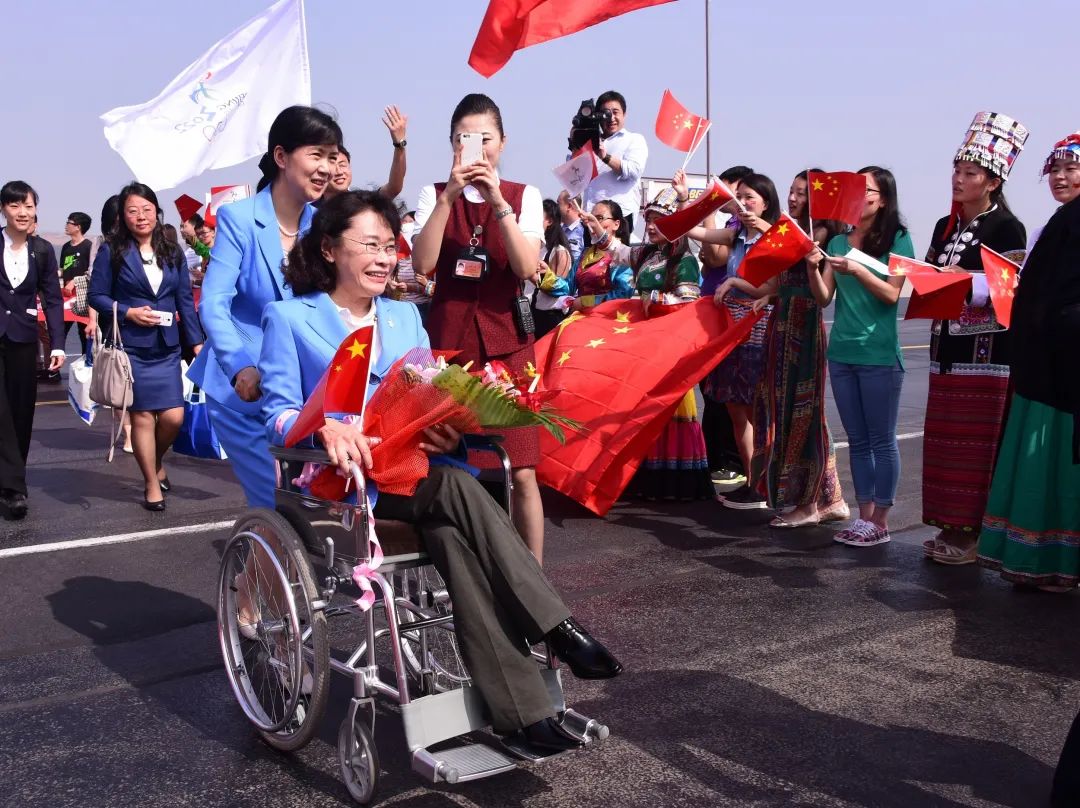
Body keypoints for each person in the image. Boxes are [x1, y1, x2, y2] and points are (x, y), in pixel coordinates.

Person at [259, 189, 622, 757]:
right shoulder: (289, 318)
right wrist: (323, 428)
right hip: (349, 487)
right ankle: (557, 627)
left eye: (389, 246)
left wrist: (451, 427)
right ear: (329, 249)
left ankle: (523, 714)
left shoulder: (405, 315)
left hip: (418, 471)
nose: (384, 258)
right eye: (369, 245)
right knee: (456, 487)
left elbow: (429, 389)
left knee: (453, 532)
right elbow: (276, 414)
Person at [411, 93, 548, 562]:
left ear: (502, 142)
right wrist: (448, 197)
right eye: (463, 138)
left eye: (485, 138)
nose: (475, 148)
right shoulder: (433, 194)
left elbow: (527, 267)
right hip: (449, 347)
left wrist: (497, 202)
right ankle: (463, 567)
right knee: (447, 463)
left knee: (522, 469)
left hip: (508, 345)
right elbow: (423, 264)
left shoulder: (524, 195)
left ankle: (533, 576)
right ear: (452, 143)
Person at [187, 105, 342, 508]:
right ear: (281, 157)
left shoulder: (322, 226)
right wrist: (240, 367)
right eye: (316, 155)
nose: (326, 168)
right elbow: (214, 304)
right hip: (245, 389)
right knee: (278, 504)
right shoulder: (239, 219)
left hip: (301, 394)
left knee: (317, 506)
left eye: (332, 157)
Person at [921, 112, 1029, 565]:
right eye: (957, 170)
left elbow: (1008, 288)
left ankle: (972, 535)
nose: (958, 179)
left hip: (985, 355)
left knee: (975, 445)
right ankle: (949, 524)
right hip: (945, 346)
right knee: (944, 441)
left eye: (969, 173)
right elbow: (929, 274)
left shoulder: (1006, 227)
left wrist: (960, 280)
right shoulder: (944, 226)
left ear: (993, 182)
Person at [977, 131, 1080, 591]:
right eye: (1054, 170)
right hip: (1045, 364)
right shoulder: (1056, 224)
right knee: (1043, 462)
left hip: (1066, 369)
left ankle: (1060, 562)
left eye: (1071, 168)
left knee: (1058, 464)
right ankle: (1044, 560)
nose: (1060, 177)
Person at [581, 186, 713, 501]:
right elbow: (619, 251)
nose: (652, 226)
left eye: (660, 221)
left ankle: (675, 483)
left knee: (666, 409)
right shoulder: (645, 253)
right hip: (643, 345)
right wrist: (597, 228)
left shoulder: (684, 259)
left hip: (669, 346)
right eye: (649, 220)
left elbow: (688, 303)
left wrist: (653, 298)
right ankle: (643, 479)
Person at [808, 167, 915, 546]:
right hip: (842, 353)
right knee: (856, 440)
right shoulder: (838, 242)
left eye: (867, 189)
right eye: (856, 187)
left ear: (883, 199)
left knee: (881, 440)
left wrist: (858, 269)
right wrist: (812, 267)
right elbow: (824, 298)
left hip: (879, 354)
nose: (859, 194)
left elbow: (891, 295)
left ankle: (880, 521)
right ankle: (863, 515)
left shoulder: (898, 239)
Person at [89, 183, 204, 510]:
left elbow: (184, 301)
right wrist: (128, 312)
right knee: (141, 418)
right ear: (123, 217)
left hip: (167, 347)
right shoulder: (112, 251)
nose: (140, 216)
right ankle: (151, 483)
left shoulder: (172, 251)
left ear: (156, 212)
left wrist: (197, 344)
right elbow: (97, 296)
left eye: (146, 209)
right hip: (132, 348)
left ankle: (154, 459)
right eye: (132, 211)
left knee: (173, 418)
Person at [753, 170, 848, 527]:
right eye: (791, 191)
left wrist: (766, 228)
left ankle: (807, 504)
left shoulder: (820, 236)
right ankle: (831, 497)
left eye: (801, 193)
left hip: (804, 327)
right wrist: (768, 296)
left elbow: (816, 285)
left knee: (803, 412)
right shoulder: (791, 230)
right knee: (789, 410)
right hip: (782, 321)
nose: (792, 198)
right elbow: (781, 280)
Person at [689, 172, 781, 510]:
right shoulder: (736, 234)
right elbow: (696, 232)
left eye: (749, 198)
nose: (742, 203)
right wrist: (688, 200)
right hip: (731, 327)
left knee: (757, 410)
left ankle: (773, 482)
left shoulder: (776, 236)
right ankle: (753, 482)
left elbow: (774, 289)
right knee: (735, 408)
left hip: (758, 326)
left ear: (766, 203)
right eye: (738, 197)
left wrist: (734, 283)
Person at [0, 180, 64, 520]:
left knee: (22, 411)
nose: (22, 212)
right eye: (15, 205)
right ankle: (14, 488)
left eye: (28, 205)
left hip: (24, 339)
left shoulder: (42, 250)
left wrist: (58, 344)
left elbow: (52, 299)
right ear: (3, 210)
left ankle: (12, 475)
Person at [700, 165, 755, 492]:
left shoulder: (748, 230)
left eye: (726, 187)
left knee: (741, 402)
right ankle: (735, 466)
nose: (720, 193)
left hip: (744, 323)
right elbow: (708, 251)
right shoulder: (732, 227)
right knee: (720, 395)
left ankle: (741, 468)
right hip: (718, 314)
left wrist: (708, 212)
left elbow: (715, 258)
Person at [581, 91, 648, 234]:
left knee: (617, 251)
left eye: (615, 112)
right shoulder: (590, 142)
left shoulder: (634, 139)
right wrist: (576, 139)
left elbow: (634, 170)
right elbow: (576, 175)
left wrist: (605, 157)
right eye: (605, 113)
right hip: (590, 217)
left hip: (618, 218)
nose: (611, 118)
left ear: (624, 114)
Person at [321, 105, 409, 203]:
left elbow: (393, 188)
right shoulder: (309, 207)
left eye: (342, 165)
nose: (339, 172)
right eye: (333, 166)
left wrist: (399, 145)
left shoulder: (362, 204)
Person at [566, 199, 634, 310]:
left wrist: (586, 302)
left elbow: (623, 293)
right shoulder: (585, 254)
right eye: (591, 218)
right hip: (580, 315)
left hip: (608, 316)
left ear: (616, 224)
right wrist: (543, 276)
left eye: (600, 218)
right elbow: (568, 286)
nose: (593, 224)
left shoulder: (623, 255)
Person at [529, 198, 573, 338]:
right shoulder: (535, 247)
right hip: (529, 311)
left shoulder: (559, 252)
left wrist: (530, 273)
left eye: (537, 217)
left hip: (549, 316)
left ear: (550, 221)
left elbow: (560, 289)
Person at [60, 211, 93, 354]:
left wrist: (74, 281)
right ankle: (55, 363)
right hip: (66, 298)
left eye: (69, 222)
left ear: (78, 227)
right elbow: (63, 269)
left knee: (84, 333)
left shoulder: (88, 247)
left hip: (82, 298)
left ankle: (87, 362)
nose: (66, 225)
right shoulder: (65, 247)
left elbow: (92, 273)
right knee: (60, 331)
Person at [557, 190, 586, 266]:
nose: (556, 208)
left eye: (558, 203)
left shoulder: (585, 232)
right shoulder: (558, 230)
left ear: (569, 206)